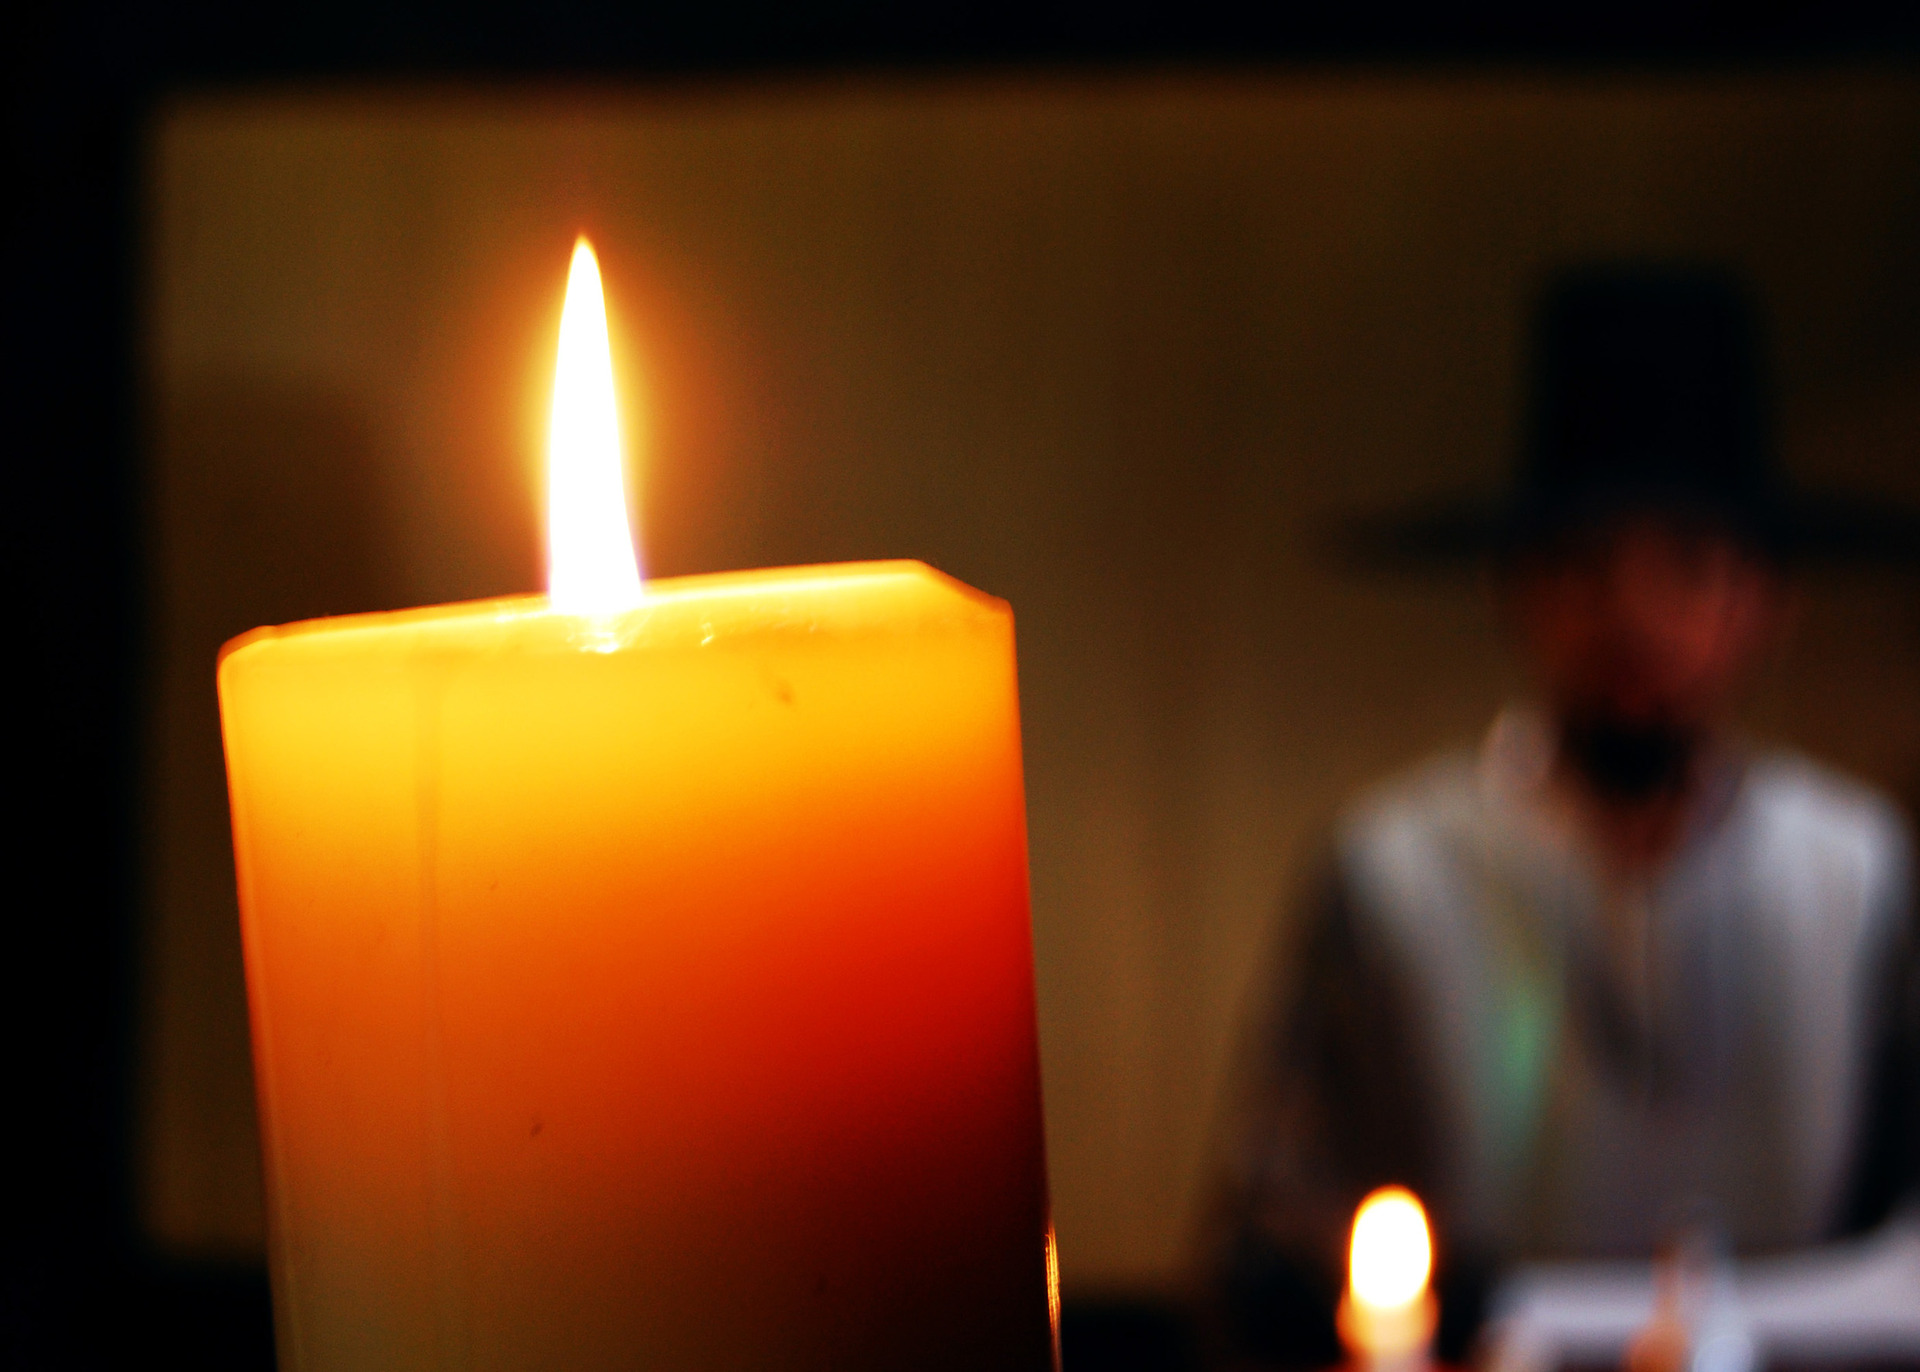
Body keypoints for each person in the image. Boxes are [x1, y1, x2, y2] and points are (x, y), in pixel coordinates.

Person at [1205, 267, 1920, 1367]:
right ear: (1516, 585)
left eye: (1687, 564)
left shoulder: (1859, 870)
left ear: (1766, 599)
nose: (1634, 615)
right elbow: (1271, 1224)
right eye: (1587, 563)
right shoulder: (1396, 869)